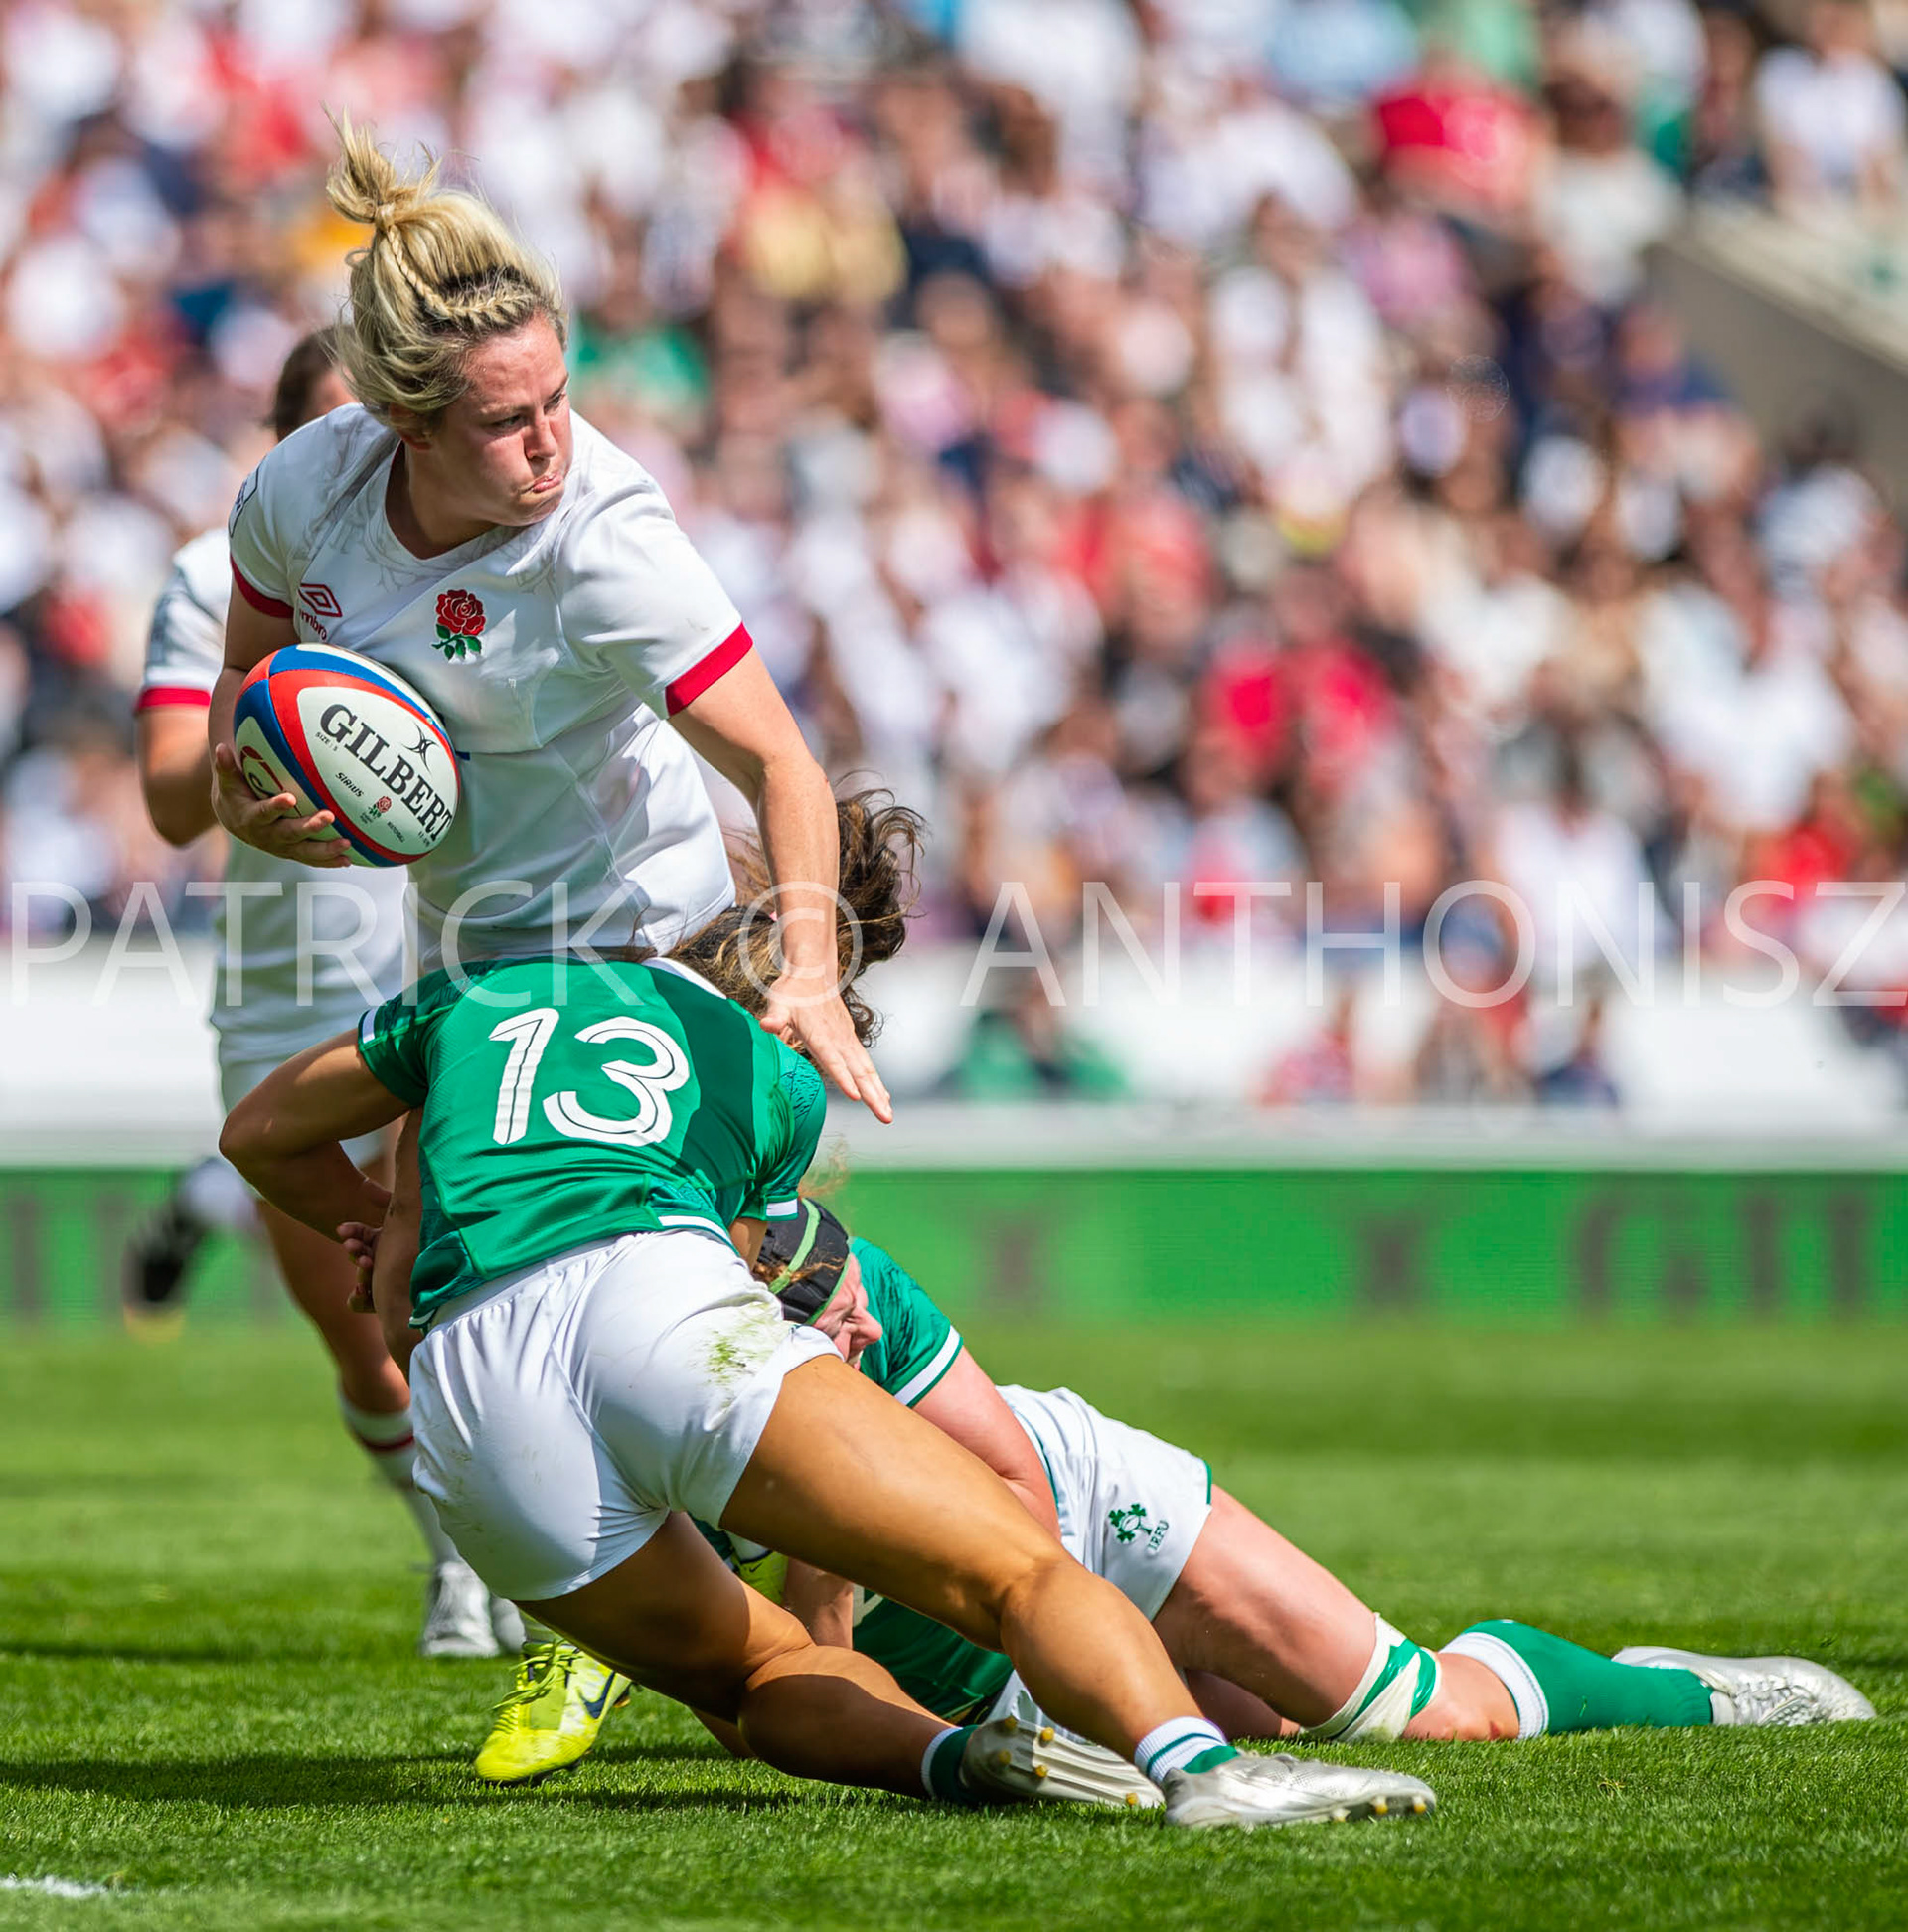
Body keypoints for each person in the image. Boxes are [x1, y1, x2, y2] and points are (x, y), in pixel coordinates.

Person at [222, 794, 1436, 1830]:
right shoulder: (773, 1072)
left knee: (753, 1685)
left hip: (476, 1408)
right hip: (650, 1293)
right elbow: (739, 1255)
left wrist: (384, 1217)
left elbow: (258, 1133)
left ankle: (960, 1762)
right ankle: (1205, 1771)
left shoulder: (465, 999)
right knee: (1013, 1572)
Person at [205, 119, 887, 1132]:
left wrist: (811, 970)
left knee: (682, 1250)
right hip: (462, 950)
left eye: (559, 399)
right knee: (408, 1257)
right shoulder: (302, 493)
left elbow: (781, 764)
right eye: (502, 423)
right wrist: (240, 788)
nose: (548, 447)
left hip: (647, 941)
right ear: (409, 424)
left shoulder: (607, 545)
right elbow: (243, 678)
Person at [699, 1205, 1873, 1757]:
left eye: (840, 1286)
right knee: (1256, 1738)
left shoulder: (853, 1275)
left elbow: (1011, 1478)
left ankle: (1689, 1695)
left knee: (1420, 1717)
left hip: (1083, 1517)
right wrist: (827, 1500)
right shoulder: (667, 1383)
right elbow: (777, 1690)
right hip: (956, 1649)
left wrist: (1069, 1675)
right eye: (821, 1319)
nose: (851, 1312)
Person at [130, 328, 516, 1660]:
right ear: (287, 445)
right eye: (336, 431)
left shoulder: (473, 559)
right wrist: (254, 746)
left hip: (444, 966)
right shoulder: (206, 577)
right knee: (359, 1327)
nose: (369, 458)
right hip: (286, 996)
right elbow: (172, 800)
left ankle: (529, 1560)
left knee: (464, 1292)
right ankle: (451, 1546)